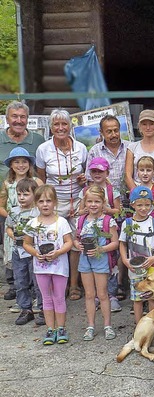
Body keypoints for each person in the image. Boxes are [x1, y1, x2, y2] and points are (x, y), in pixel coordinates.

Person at [35, 109, 88, 302]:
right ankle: (57, 284)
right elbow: (42, 178)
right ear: (51, 128)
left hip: (76, 202)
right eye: (56, 124)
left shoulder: (81, 148)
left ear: (70, 126)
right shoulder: (43, 149)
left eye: (64, 124)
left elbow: (84, 175)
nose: (60, 128)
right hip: (55, 203)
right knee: (54, 242)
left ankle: (74, 284)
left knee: (74, 244)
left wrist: (82, 181)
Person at [23, 185, 74, 345]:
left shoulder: (62, 222)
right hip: (41, 267)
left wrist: (58, 253)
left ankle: (61, 328)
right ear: (36, 203)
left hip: (59, 267)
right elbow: (26, 243)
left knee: (59, 297)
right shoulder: (32, 223)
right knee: (46, 298)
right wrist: (35, 253)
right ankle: (50, 329)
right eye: (41, 201)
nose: (45, 204)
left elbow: (68, 242)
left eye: (49, 201)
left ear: (55, 203)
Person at [74, 185, 119, 341]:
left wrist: (101, 249)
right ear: (85, 202)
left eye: (97, 201)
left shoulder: (108, 221)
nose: (93, 205)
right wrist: (77, 244)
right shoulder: (81, 220)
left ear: (103, 202)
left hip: (101, 260)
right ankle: (91, 325)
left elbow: (115, 243)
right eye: (90, 201)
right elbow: (76, 238)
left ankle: (107, 325)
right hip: (85, 259)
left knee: (102, 294)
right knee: (89, 294)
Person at [0, 147, 43, 308]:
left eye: (24, 161)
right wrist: (14, 218)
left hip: (33, 229)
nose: (20, 165)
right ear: (11, 165)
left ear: (29, 164)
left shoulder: (36, 181)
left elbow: (44, 200)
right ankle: (21, 297)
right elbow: (2, 205)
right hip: (15, 228)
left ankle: (37, 296)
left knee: (33, 264)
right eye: (16, 162)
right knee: (18, 264)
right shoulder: (8, 184)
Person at [119, 186, 154, 323]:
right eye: (139, 205)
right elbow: (122, 243)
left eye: (147, 205)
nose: (143, 208)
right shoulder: (127, 223)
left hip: (152, 266)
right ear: (132, 204)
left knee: (152, 297)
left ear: (152, 205)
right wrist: (125, 260)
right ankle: (139, 325)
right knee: (137, 298)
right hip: (135, 267)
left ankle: (153, 323)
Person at [5, 179, 43, 326]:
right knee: (20, 281)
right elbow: (8, 227)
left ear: (34, 195)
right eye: (19, 194)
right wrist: (12, 235)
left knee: (38, 282)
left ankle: (42, 309)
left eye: (26, 194)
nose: (22, 197)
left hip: (33, 252)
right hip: (18, 252)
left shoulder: (37, 212)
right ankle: (26, 309)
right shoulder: (14, 211)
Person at [124, 109, 154, 191]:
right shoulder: (132, 147)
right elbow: (127, 176)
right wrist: (137, 193)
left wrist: (151, 193)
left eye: (151, 124)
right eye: (144, 124)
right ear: (139, 126)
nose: (148, 128)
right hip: (136, 192)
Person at [0, 101, 45, 180]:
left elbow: (43, 171)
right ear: (7, 119)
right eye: (14, 116)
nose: (19, 121)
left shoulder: (38, 140)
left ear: (27, 120)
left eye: (23, 117)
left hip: (31, 191)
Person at [85, 115, 129, 194]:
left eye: (116, 130)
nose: (114, 135)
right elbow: (90, 180)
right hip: (104, 200)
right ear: (101, 132)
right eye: (109, 132)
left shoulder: (130, 148)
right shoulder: (95, 151)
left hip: (129, 199)